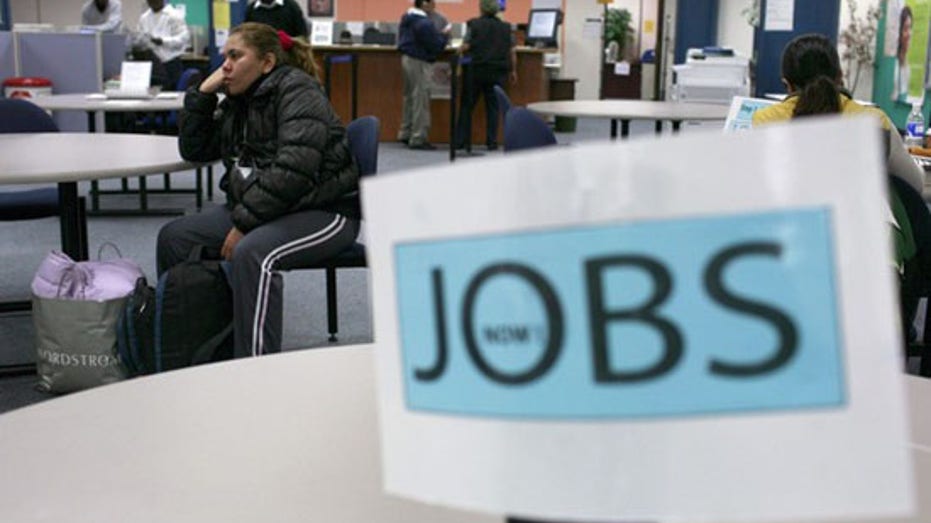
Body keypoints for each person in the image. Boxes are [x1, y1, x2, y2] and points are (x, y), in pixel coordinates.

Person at [158, 23, 360, 358]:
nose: (225, 65)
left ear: (267, 63)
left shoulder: (298, 91)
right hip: (269, 207)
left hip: (326, 210)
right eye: (224, 57)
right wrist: (203, 97)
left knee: (253, 253)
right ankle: (190, 352)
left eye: (235, 56)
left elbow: (293, 170)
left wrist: (244, 224)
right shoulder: (240, 100)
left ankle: (254, 371)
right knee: (176, 238)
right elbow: (195, 149)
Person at [752, 33, 929, 354]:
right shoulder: (872, 120)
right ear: (840, 76)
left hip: (788, 254)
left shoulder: (763, 122)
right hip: (870, 258)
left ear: (786, 83)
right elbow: (915, 184)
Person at [454, 0, 516, 150]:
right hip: (497, 71)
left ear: (481, 9)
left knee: (467, 106)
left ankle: (460, 141)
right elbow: (512, 52)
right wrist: (513, 71)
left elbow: (466, 45)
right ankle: (492, 142)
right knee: (493, 107)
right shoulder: (506, 28)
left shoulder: (473, 24)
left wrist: (459, 52)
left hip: (476, 70)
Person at [397, 0, 450, 150]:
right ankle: (418, 137)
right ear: (424, 3)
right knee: (421, 98)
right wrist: (444, 35)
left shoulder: (407, 17)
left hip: (407, 59)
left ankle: (406, 132)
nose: (435, 5)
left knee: (409, 97)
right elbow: (436, 45)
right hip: (419, 61)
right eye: (432, 2)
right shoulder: (424, 23)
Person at [132, 0, 190, 91]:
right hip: (153, 64)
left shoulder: (174, 15)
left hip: (170, 63)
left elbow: (183, 39)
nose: (152, 2)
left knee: (170, 94)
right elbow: (140, 37)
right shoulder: (144, 18)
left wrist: (163, 41)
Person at [894, 6, 913, 102]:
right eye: (905, 29)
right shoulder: (894, 63)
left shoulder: (908, 64)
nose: (909, 33)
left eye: (910, 28)